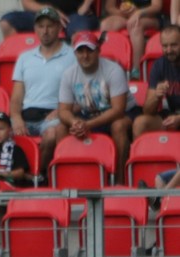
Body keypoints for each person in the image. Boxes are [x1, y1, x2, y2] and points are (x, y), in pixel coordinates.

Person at [0, 7, 76, 176]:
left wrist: (61, 110)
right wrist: (15, 117)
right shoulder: (25, 57)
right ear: (35, 29)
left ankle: (36, 175)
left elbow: (79, 93)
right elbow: (16, 96)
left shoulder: (72, 56)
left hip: (54, 114)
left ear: (59, 27)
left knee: (51, 134)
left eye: (49, 26)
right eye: (40, 26)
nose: (45, 31)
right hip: (26, 115)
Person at [57, 30, 138, 182]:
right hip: (89, 115)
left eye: (90, 50)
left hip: (122, 114)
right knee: (61, 128)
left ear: (98, 51)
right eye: (80, 51)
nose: (85, 55)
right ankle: (68, 179)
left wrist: (87, 124)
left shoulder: (113, 70)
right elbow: (63, 111)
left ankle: (120, 181)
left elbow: (118, 110)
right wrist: (75, 123)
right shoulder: (68, 74)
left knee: (118, 126)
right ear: (75, 53)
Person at [132, 24, 180, 137]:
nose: (169, 50)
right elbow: (147, 111)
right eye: (165, 46)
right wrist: (156, 97)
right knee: (140, 123)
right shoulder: (159, 65)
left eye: (174, 45)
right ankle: (137, 154)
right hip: (172, 114)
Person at [101, 1, 167, 79]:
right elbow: (110, 7)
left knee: (135, 26)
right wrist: (122, 13)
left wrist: (138, 13)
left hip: (149, 16)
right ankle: (107, 66)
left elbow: (156, 7)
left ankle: (136, 70)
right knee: (105, 25)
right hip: (126, 16)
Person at [0, 0, 100, 40]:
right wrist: (47, 9)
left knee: (80, 33)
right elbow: (26, 3)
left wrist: (86, 5)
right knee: (7, 23)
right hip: (43, 12)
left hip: (75, 14)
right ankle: (21, 70)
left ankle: (75, 76)